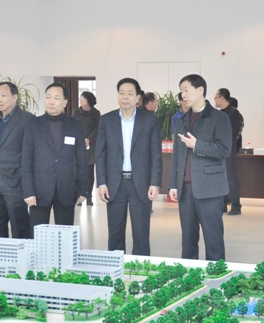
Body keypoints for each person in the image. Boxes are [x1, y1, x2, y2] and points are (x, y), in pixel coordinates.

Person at [169, 74, 232, 261]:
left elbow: (224, 150)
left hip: (210, 188)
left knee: (213, 239)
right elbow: (177, 154)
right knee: (188, 240)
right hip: (185, 189)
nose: (183, 95)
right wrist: (173, 184)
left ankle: (217, 275)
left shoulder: (219, 118)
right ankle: (190, 275)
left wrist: (197, 145)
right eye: (181, 91)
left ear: (200, 90)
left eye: (186, 90)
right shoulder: (182, 120)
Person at [96, 77, 162, 256]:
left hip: (140, 184)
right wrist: (101, 183)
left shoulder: (150, 120)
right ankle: (116, 268)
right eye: (122, 93)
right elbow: (100, 154)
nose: (125, 97)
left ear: (138, 97)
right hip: (114, 184)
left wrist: (154, 183)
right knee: (115, 233)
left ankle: (141, 269)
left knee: (141, 234)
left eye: (130, 93)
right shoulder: (106, 120)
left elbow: (156, 154)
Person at [23, 83, 89, 230]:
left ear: (65, 102)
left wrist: (83, 189)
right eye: (48, 97)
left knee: (65, 235)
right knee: (38, 236)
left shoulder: (75, 125)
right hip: (39, 191)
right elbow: (26, 160)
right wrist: (28, 190)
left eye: (56, 98)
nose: (51, 101)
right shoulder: (33, 125)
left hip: (66, 189)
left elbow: (81, 159)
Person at [0, 81, 34, 238]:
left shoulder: (27, 119)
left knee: (20, 226)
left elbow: (30, 152)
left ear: (15, 97)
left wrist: (23, 176)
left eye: (3, 96)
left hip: (15, 180)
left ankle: (22, 255)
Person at [214, 88, 243, 215]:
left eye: (216, 97)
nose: (215, 100)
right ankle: (223, 204)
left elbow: (234, 132)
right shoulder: (218, 114)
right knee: (221, 177)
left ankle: (236, 205)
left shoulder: (234, 113)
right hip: (218, 150)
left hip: (229, 149)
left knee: (231, 178)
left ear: (222, 98)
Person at [72, 91, 100, 206]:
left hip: (91, 146)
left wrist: (88, 139)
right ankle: (79, 196)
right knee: (78, 172)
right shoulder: (76, 112)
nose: (80, 100)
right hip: (78, 144)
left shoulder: (96, 113)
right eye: (80, 98)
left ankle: (89, 196)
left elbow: (98, 128)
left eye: (83, 98)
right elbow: (72, 126)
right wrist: (81, 139)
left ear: (89, 100)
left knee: (89, 172)